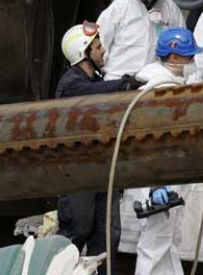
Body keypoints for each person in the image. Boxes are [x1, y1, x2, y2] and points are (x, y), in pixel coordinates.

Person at [55, 21, 142, 275]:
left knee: (107, 235)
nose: (103, 50)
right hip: (78, 170)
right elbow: (93, 93)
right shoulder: (72, 84)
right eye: (98, 46)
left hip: (103, 168)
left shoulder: (97, 79)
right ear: (84, 52)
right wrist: (122, 85)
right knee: (77, 230)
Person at [131, 28, 203, 275]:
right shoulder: (158, 90)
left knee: (167, 242)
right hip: (158, 181)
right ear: (173, 57)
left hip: (167, 176)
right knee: (154, 245)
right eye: (189, 57)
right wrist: (155, 184)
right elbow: (149, 143)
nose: (193, 62)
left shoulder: (167, 85)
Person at [97, 0, 184, 80]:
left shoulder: (171, 9)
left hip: (153, 81)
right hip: (118, 79)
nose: (149, 1)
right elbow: (99, 44)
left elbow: (181, 44)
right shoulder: (119, 9)